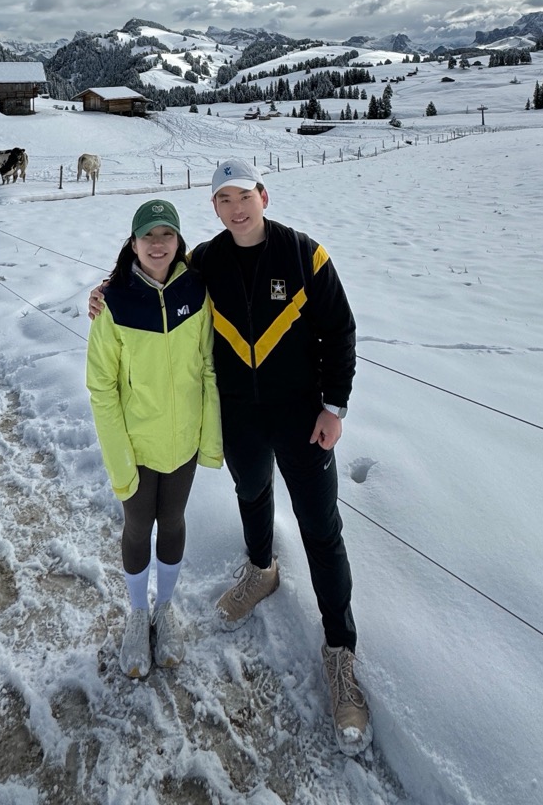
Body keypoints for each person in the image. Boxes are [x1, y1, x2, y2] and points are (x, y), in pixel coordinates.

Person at [91, 162, 371, 754]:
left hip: (302, 417)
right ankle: (261, 569)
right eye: (224, 200)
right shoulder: (208, 263)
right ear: (214, 209)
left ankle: (341, 656)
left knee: (322, 529)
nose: (237, 208)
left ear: (262, 196)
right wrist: (102, 292)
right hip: (241, 414)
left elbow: (341, 329)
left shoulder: (305, 255)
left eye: (245, 196)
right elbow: (150, 277)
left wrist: (334, 405)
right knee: (252, 495)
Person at [86, 199, 223, 679]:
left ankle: (164, 609)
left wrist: (209, 439)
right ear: (134, 243)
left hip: (182, 442)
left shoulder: (197, 291)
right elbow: (101, 387)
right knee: (138, 526)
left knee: (175, 520)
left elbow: (206, 366)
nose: (159, 244)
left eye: (168, 234)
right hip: (137, 448)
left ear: (180, 241)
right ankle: (137, 613)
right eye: (149, 236)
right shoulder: (115, 303)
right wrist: (119, 458)